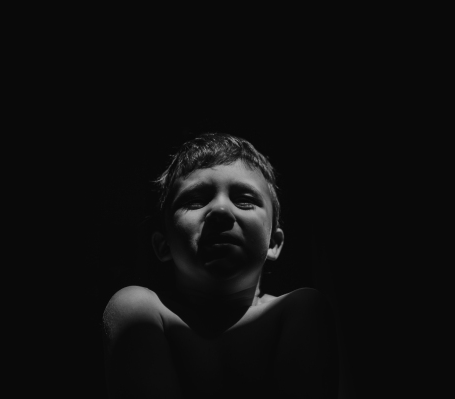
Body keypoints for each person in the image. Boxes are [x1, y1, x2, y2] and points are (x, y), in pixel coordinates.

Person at [102, 133, 338, 399]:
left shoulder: (299, 310)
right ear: (163, 245)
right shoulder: (139, 310)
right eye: (195, 201)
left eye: (245, 200)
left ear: (273, 243)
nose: (221, 211)